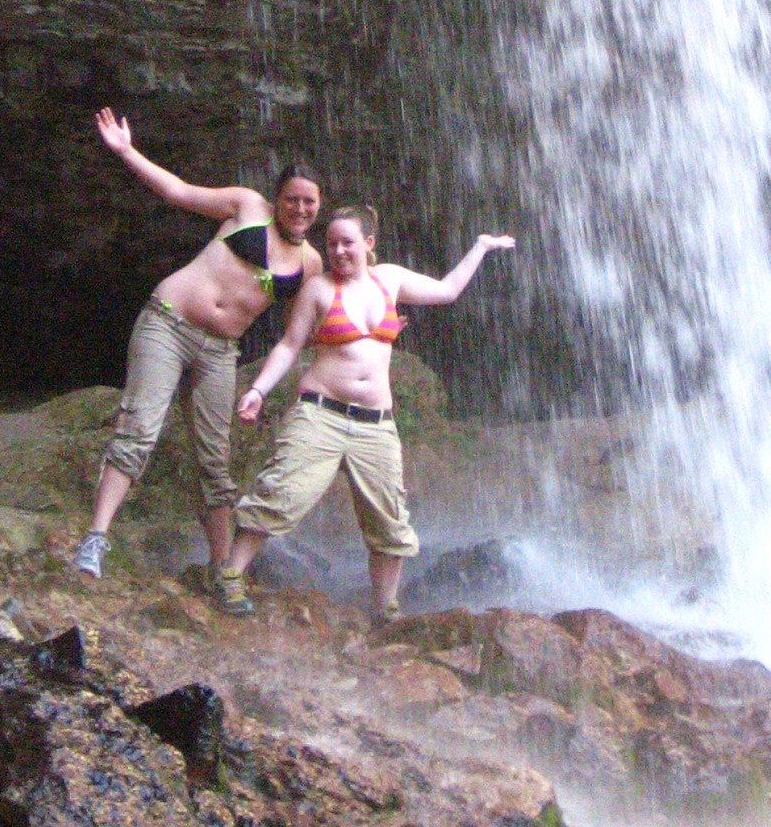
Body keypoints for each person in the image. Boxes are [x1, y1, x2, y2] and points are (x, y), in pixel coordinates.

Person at [215, 204, 515, 619]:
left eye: (347, 243)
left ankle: (385, 610)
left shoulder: (389, 279)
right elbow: (289, 345)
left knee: (389, 521)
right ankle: (230, 576)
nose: (338, 251)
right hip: (321, 413)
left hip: (376, 424)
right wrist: (259, 390)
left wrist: (480, 247)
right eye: (332, 243)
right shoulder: (318, 289)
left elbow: (448, 291)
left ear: (368, 244)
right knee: (279, 494)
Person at [73, 108, 323, 582]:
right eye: (292, 199)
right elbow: (177, 191)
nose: (300, 209)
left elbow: (298, 333)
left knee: (216, 459)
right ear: (278, 198)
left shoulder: (310, 264)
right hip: (168, 324)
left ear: (319, 205)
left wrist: (378, 325)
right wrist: (127, 152)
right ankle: (96, 539)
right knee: (139, 431)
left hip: (220, 352)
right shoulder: (248, 208)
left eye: (309, 202)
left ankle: (223, 572)